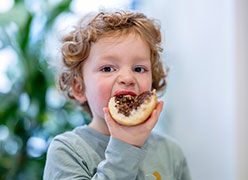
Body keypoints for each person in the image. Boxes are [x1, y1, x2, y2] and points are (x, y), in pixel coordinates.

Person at [43, 10, 191, 180]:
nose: (128, 78)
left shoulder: (171, 153)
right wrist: (125, 146)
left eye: (139, 69)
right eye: (107, 69)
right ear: (79, 87)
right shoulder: (67, 151)